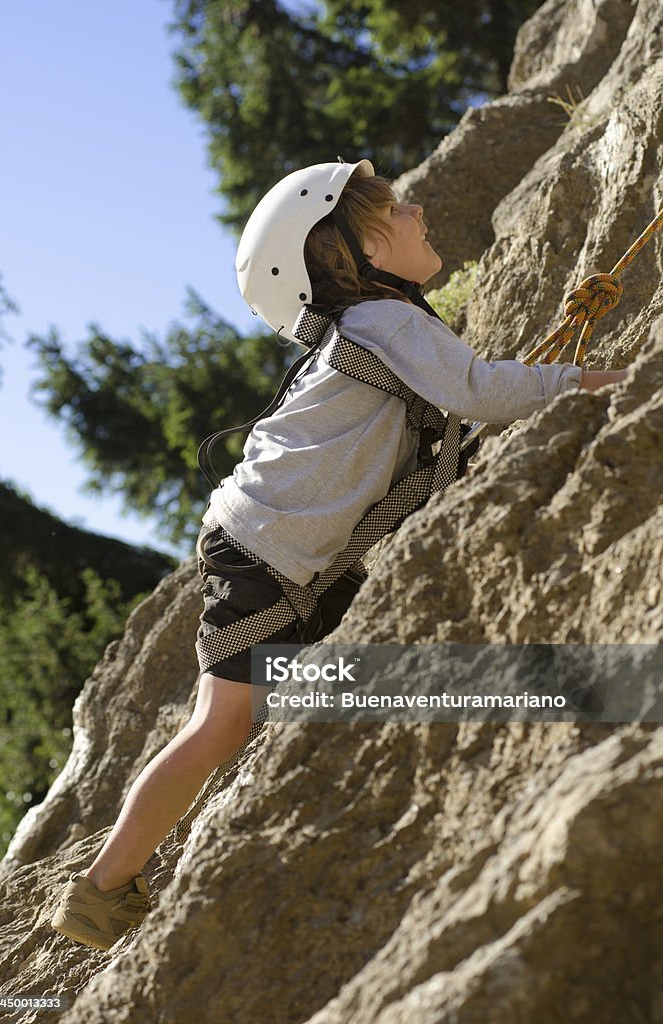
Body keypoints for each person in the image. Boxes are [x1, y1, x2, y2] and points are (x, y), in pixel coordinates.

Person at [51, 159, 627, 950]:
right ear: (346, 253)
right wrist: (612, 379)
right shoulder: (386, 324)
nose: (420, 209)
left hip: (271, 553)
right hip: (266, 555)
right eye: (396, 206)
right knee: (221, 724)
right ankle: (102, 891)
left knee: (243, 718)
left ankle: (114, 884)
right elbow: (484, 392)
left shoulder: (377, 328)